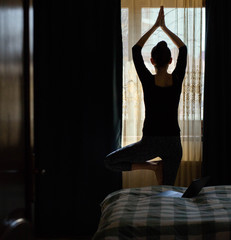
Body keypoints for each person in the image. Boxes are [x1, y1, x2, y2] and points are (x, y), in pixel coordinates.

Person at [105, 6, 187, 185]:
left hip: (150, 142)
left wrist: (155, 26)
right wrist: (164, 28)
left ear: (152, 61)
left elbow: (135, 49)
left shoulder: (148, 81)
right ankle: (156, 170)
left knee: (110, 161)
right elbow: (183, 48)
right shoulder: (177, 79)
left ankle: (152, 167)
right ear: (171, 61)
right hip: (173, 143)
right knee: (167, 190)